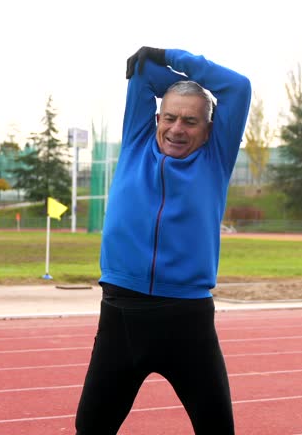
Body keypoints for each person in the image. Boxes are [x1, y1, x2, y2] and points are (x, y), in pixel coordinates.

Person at [74, 47, 251, 434]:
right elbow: (142, 74)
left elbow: (238, 87)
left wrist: (175, 57)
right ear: (156, 118)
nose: (177, 129)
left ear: (209, 128)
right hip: (122, 314)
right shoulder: (137, 141)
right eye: (169, 117)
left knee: (218, 429)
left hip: (187, 320)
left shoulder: (216, 158)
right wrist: (171, 77)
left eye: (190, 121)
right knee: (90, 428)